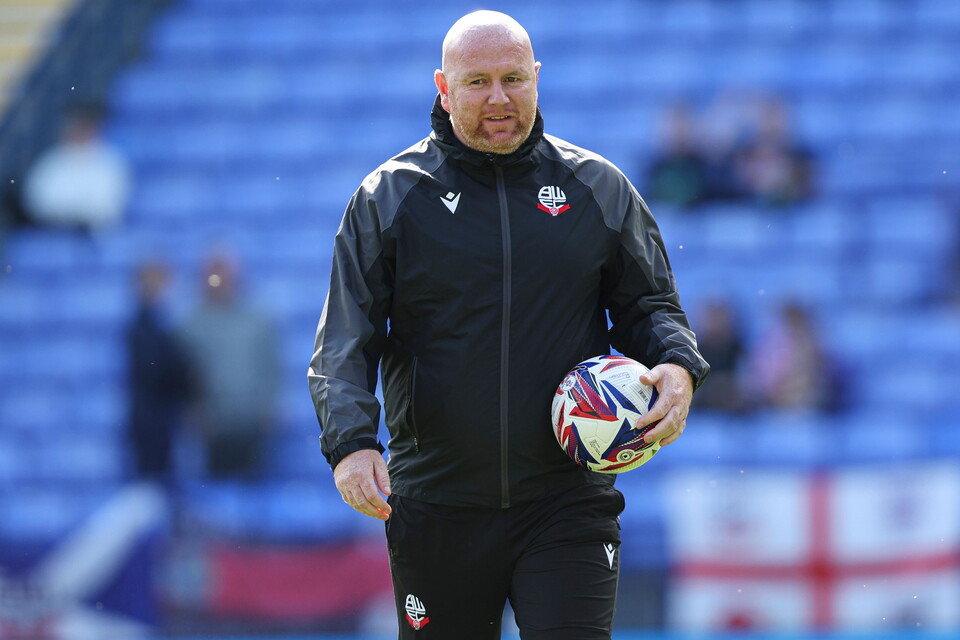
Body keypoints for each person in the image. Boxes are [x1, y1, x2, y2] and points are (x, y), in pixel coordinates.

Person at [308, 11, 709, 639]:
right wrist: (351, 444)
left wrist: (679, 369)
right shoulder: (387, 198)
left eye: (514, 79)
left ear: (538, 79)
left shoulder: (597, 188)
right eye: (477, 82)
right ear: (443, 86)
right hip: (435, 505)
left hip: (567, 501)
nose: (499, 98)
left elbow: (652, 307)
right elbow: (344, 340)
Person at [179, 251, 279, 479]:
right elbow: (184, 375)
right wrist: (192, 412)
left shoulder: (257, 320)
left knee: (253, 485)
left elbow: (271, 366)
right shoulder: (191, 324)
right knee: (214, 491)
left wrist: (270, 405)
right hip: (212, 423)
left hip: (252, 420)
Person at [126, 259, 193, 481]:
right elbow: (158, 372)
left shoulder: (161, 323)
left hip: (162, 418)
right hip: (152, 421)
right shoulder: (143, 327)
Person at [22, 103, 131, 233]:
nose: (79, 131)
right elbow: (37, 201)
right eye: (76, 126)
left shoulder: (111, 162)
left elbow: (109, 208)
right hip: (51, 230)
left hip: (93, 234)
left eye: (84, 127)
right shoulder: (52, 159)